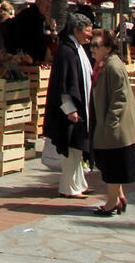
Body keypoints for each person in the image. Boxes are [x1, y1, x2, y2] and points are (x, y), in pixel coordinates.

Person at [88, 28, 135, 216]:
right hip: (108, 124)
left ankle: (111, 202)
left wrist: (111, 122)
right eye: (91, 45)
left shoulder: (112, 66)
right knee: (110, 163)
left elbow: (120, 97)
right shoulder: (103, 64)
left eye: (96, 45)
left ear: (108, 47)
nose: (92, 49)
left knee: (112, 165)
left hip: (115, 127)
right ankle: (119, 197)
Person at [44, 13, 96, 198]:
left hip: (79, 109)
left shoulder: (77, 48)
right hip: (70, 111)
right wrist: (70, 109)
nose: (90, 35)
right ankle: (69, 187)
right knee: (71, 149)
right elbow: (64, 84)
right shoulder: (66, 51)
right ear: (76, 30)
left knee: (77, 149)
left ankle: (79, 183)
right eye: (88, 31)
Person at [9, 0, 52, 65]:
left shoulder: (41, 18)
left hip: (29, 55)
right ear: (39, 4)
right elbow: (39, 37)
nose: (47, 9)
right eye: (46, 6)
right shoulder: (32, 16)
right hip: (28, 56)